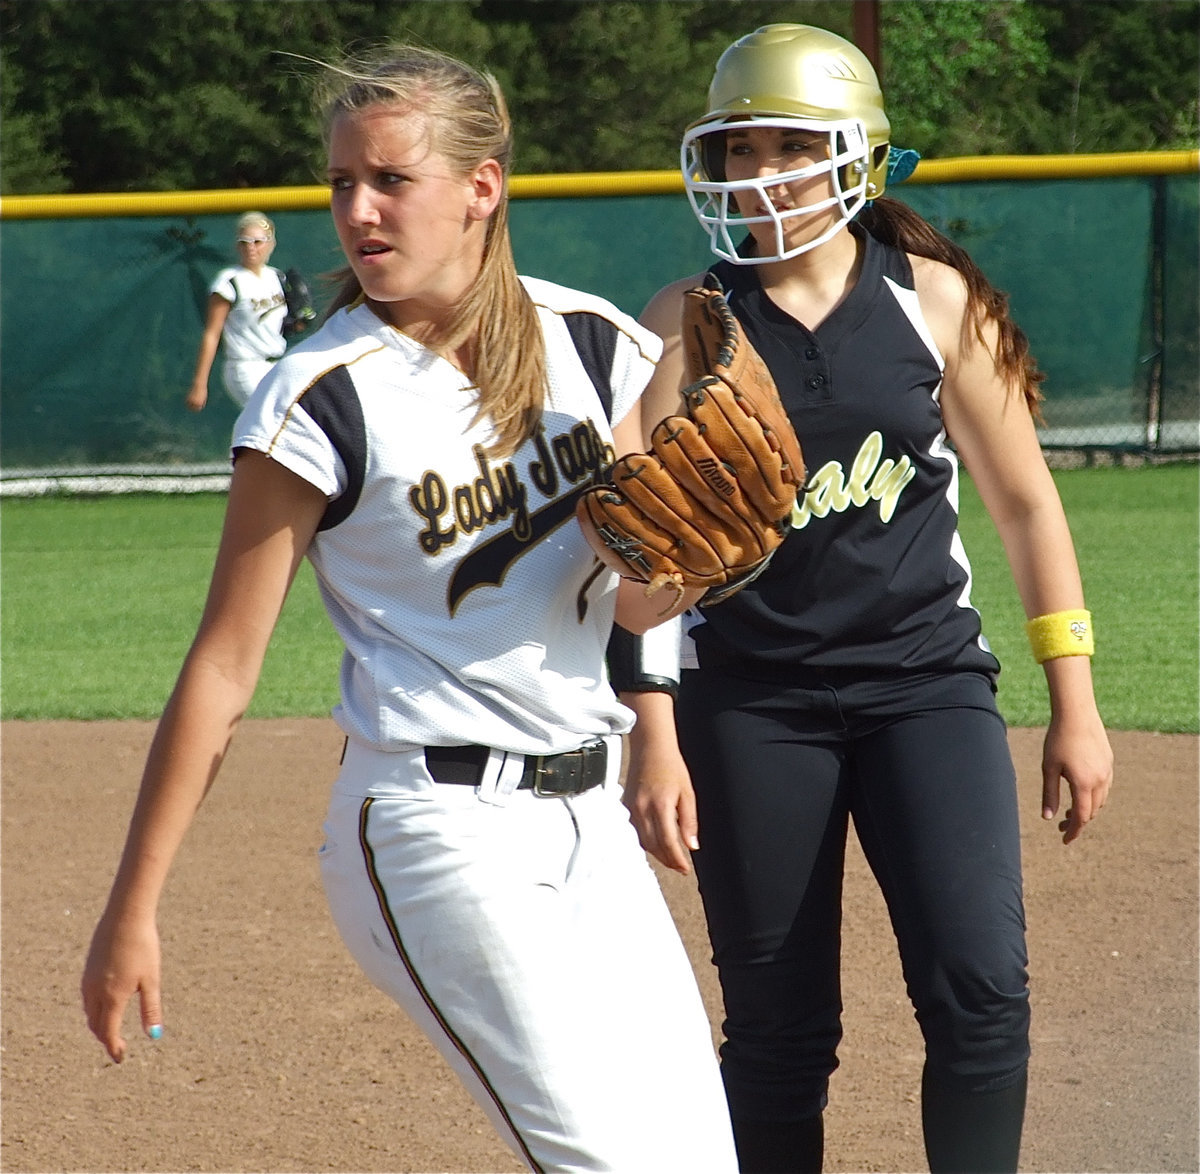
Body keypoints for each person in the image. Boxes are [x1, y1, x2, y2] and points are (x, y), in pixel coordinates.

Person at [82, 44, 738, 1173]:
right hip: (440, 828)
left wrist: (718, 552)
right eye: (343, 183)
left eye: (391, 179)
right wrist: (130, 905)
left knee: (698, 1157)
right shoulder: (320, 396)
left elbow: (642, 601)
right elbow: (223, 670)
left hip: (591, 820)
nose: (359, 210)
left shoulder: (588, 343)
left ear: (481, 188)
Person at [619, 24, 1114, 1174]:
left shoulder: (933, 302)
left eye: (787, 146)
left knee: (981, 989)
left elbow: (1030, 508)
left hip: (924, 688)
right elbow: (636, 574)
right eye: (737, 150)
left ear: (858, 156)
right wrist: (654, 733)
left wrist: (1073, 702)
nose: (756, 175)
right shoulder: (683, 321)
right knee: (780, 1033)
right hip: (749, 705)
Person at [184, 211, 305, 412]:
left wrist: (299, 322)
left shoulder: (277, 277)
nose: (251, 248)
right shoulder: (229, 281)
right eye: (244, 242)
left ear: (271, 244)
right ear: (237, 245)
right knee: (270, 417)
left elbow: (285, 326)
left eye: (258, 241)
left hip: (277, 363)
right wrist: (199, 383)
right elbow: (212, 334)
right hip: (245, 367)